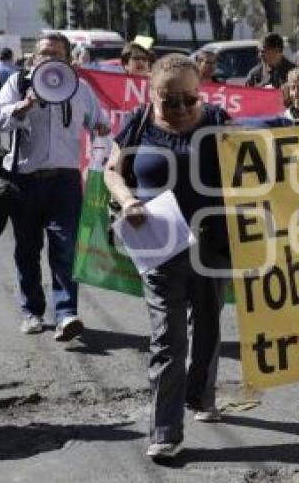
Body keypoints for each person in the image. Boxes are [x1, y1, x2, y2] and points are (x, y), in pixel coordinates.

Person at [104, 53, 231, 460]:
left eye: (188, 100)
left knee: (208, 327)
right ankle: (165, 430)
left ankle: (200, 395)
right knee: (169, 340)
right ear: (152, 93)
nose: (180, 109)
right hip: (159, 246)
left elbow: (261, 160)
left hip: (212, 243)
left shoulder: (217, 122)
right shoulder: (139, 123)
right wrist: (126, 201)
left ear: (201, 93)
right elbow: (111, 169)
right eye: (169, 101)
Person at [0, 32, 110, 340]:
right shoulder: (19, 84)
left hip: (65, 183)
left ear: (68, 60)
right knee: (27, 250)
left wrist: (100, 128)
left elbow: (99, 121)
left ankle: (66, 313)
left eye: (56, 54)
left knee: (66, 248)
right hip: (24, 181)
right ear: (34, 57)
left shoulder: (79, 88)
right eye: (43, 53)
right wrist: (24, 106)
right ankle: (32, 312)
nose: (49, 59)